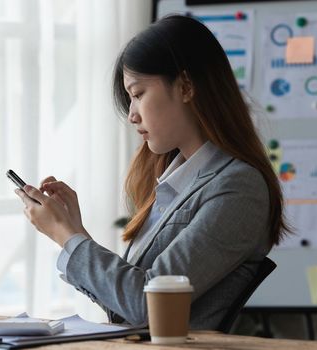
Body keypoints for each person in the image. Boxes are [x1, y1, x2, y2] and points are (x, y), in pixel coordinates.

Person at [14, 15, 289, 330]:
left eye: (138, 94)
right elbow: (126, 308)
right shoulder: (178, 185)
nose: (131, 115)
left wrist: (67, 235)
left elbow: (148, 306)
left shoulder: (239, 188)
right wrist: (75, 232)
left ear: (185, 86)